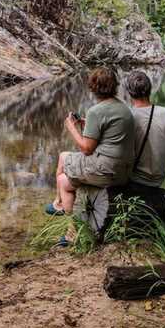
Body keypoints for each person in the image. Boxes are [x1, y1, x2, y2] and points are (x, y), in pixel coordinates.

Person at [46, 67, 136, 216]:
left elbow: (87, 149)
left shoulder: (96, 111)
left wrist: (71, 127)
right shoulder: (123, 107)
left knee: (62, 178)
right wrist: (86, 123)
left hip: (106, 171)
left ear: (93, 88)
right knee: (63, 157)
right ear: (115, 85)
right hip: (124, 171)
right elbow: (111, 129)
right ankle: (59, 202)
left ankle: (67, 215)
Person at [124, 70, 165, 187]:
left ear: (129, 92)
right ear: (150, 89)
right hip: (158, 179)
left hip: (133, 178)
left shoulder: (126, 116)